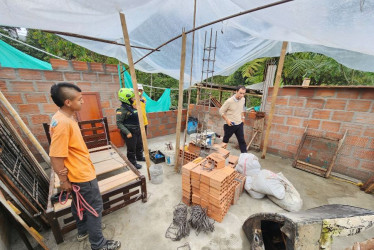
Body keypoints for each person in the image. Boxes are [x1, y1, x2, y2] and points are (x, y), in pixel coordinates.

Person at [49, 82, 121, 250]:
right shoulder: (63, 123)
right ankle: (99, 244)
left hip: (78, 172)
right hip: (81, 176)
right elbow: (55, 155)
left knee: (79, 204)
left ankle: (83, 231)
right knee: (94, 208)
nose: (82, 102)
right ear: (68, 102)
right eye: (80, 99)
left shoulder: (63, 117)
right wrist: (63, 181)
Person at [116, 88, 144, 169]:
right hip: (130, 132)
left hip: (137, 130)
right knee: (131, 149)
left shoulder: (131, 107)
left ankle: (140, 157)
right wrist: (127, 132)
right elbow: (119, 123)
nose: (133, 99)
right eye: (132, 98)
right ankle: (132, 163)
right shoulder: (121, 110)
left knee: (139, 145)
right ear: (126, 99)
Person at [219, 85, 247, 153]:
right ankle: (221, 156)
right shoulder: (229, 101)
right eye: (240, 93)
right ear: (236, 91)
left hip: (239, 124)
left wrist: (243, 117)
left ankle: (245, 158)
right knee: (225, 141)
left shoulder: (243, 99)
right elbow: (221, 111)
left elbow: (242, 108)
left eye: (243, 93)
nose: (242, 95)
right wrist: (227, 120)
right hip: (230, 124)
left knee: (242, 141)